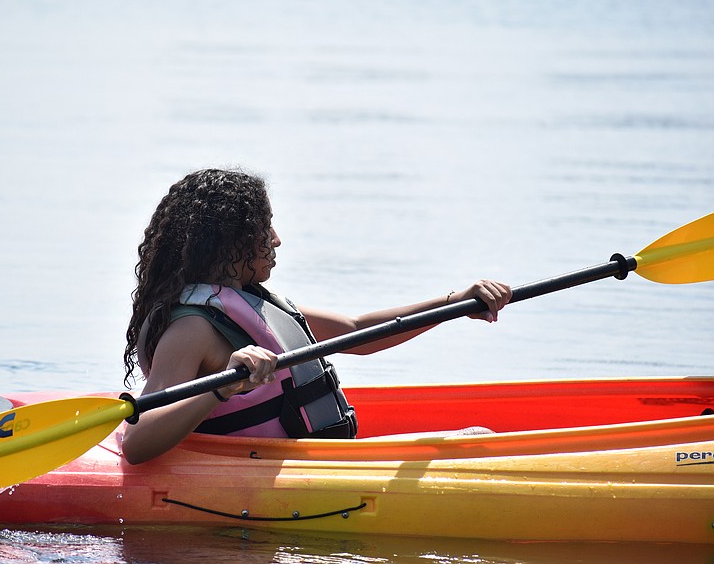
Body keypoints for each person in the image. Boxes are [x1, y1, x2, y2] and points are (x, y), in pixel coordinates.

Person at [121, 169, 512, 464]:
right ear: (231, 243)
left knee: (478, 439)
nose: (276, 239)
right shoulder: (193, 328)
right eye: (264, 229)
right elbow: (138, 443)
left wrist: (455, 303)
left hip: (317, 461)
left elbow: (358, 332)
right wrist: (221, 388)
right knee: (478, 442)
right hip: (270, 473)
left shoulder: (254, 303)